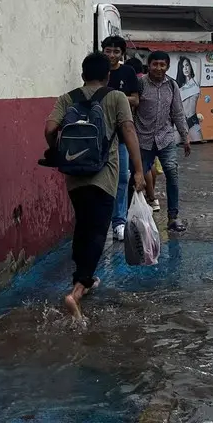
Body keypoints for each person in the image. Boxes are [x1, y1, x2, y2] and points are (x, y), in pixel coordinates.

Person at [45, 52, 145, 321]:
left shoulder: (68, 98)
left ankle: (83, 277)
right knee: (99, 229)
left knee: (83, 224)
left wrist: (56, 151)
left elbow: (50, 127)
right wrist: (138, 170)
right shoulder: (116, 97)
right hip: (105, 175)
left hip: (75, 175)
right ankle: (77, 289)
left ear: (82, 75)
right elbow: (128, 131)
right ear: (108, 75)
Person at [135, 51, 192, 231]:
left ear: (167, 66)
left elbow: (177, 112)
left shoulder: (172, 86)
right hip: (142, 138)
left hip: (165, 138)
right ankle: (134, 218)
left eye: (162, 64)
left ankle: (173, 218)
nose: (158, 68)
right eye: (155, 64)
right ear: (149, 65)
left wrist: (185, 137)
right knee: (136, 180)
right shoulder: (140, 84)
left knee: (172, 174)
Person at [101, 35, 141, 242]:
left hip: (123, 135)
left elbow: (136, 99)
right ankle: (101, 221)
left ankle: (119, 222)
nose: (112, 55)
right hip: (100, 135)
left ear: (122, 54)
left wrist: (117, 97)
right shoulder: (97, 69)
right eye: (108, 50)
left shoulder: (128, 72)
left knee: (123, 178)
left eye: (116, 52)